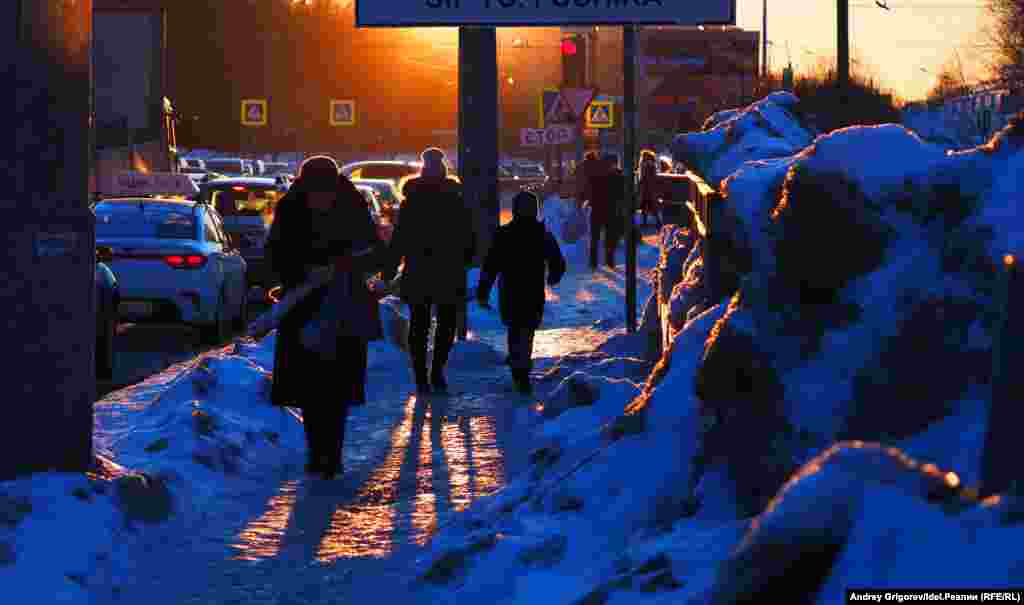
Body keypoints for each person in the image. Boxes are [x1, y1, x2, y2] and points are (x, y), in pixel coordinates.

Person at [264, 155, 389, 480]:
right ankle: (316, 452)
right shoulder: (290, 208)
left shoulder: (353, 206)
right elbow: (273, 256)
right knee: (309, 388)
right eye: (314, 192)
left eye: (325, 191)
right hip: (303, 308)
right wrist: (302, 271)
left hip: (345, 308)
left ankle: (331, 455)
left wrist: (349, 264)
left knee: (337, 387)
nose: (320, 198)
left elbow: (377, 253)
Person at [384, 147, 476, 395]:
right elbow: (468, 235)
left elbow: (400, 237)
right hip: (449, 269)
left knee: (419, 325)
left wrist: (390, 267)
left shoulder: (412, 200)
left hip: (419, 269)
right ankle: (437, 371)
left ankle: (421, 377)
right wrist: (467, 258)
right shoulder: (455, 200)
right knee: (446, 323)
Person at [476, 191, 566, 395]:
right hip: (533, 290)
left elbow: (490, 265)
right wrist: (553, 276)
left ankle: (518, 367)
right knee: (527, 330)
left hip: (510, 290)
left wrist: (483, 290)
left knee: (515, 328)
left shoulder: (504, 234)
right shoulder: (541, 234)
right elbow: (557, 261)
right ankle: (522, 367)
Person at [638, 150, 663, 227]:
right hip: (650, 188)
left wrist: (641, 185)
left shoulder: (646, 165)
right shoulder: (651, 165)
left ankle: (650, 222)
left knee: (647, 206)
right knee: (650, 207)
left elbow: (644, 177)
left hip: (647, 188)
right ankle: (657, 222)